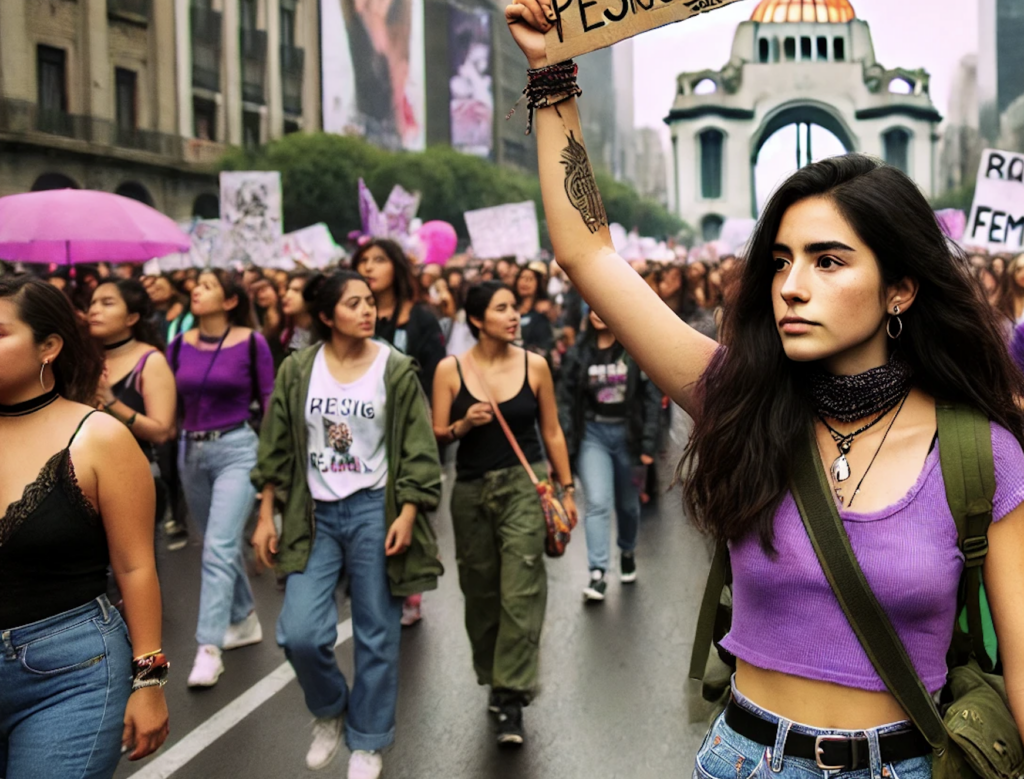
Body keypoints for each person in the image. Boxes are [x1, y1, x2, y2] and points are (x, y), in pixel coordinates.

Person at [504, 8, 1024, 776]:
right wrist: (551, 76)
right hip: (741, 758)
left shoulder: (984, 454)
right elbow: (587, 254)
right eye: (781, 260)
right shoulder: (739, 397)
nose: (790, 286)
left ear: (901, 289)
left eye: (828, 261)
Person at [251, 269, 443, 779]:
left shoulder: (395, 367)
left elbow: (420, 449)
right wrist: (266, 512)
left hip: (373, 509)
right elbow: (275, 445)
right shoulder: (298, 369)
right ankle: (330, 709)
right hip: (312, 514)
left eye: (370, 301)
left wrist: (406, 512)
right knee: (299, 633)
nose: (368, 310)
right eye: (353, 302)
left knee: (378, 632)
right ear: (324, 315)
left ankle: (368, 739)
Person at [0, 277, 169, 775]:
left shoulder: (99, 438)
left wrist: (150, 683)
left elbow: (137, 568)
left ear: (48, 346)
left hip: (71, 674)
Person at [432, 280, 578, 747]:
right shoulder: (449, 370)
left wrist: (567, 488)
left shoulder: (535, 365)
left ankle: (512, 697)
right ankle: (496, 678)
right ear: (477, 320)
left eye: (514, 307)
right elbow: (437, 433)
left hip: (523, 485)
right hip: (471, 491)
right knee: (480, 593)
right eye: (502, 309)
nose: (514, 315)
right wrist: (462, 424)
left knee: (522, 589)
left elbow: (552, 431)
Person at [168, 269, 275, 688]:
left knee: (218, 544)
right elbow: (171, 404)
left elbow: (269, 404)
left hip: (237, 449)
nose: (197, 289)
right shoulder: (177, 345)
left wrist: (272, 471)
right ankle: (244, 619)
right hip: (190, 451)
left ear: (231, 301)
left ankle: (208, 649)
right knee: (218, 542)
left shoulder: (252, 342)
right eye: (196, 284)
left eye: (209, 285)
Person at [557, 309, 661, 601]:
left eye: (604, 305)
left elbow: (652, 399)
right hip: (593, 436)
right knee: (598, 502)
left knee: (628, 506)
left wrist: (648, 446)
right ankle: (598, 572)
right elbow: (564, 401)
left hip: (630, 438)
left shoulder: (634, 351)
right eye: (592, 307)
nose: (600, 312)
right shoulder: (578, 353)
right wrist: (567, 442)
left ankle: (627, 550)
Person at [353, 239, 446, 400]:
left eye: (379, 260)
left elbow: (434, 378)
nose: (368, 267)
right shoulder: (346, 316)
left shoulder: (421, 319)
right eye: (363, 260)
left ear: (396, 267)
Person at [514, 262, 555, 361]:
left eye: (530, 279)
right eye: (522, 278)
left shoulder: (543, 311)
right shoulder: (511, 309)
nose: (525, 282)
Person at [280, 270, 316, 356]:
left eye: (296, 291)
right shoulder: (285, 329)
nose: (288, 295)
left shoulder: (323, 338)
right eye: (288, 289)